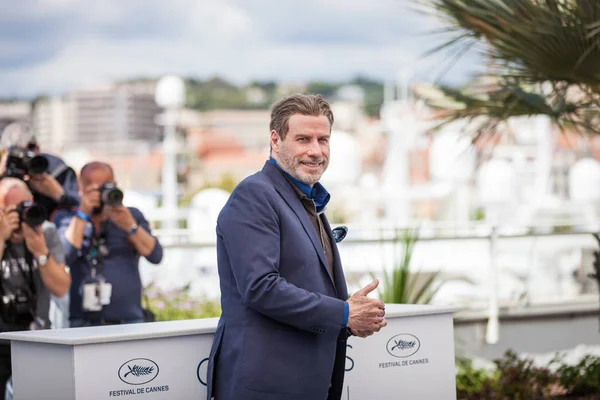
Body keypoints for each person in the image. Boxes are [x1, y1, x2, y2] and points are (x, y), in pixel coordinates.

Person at [206, 94, 387, 400]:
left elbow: (303, 283)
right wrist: (343, 313)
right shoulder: (254, 195)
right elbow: (261, 287)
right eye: (303, 139)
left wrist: (350, 315)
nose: (316, 151)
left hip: (308, 383)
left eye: (323, 140)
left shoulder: (306, 200)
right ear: (275, 140)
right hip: (266, 386)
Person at [53, 162, 162, 327]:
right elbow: (64, 256)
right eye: (93, 189)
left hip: (129, 321)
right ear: (80, 188)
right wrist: (83, 214)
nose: (100, 195)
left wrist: (130, 227)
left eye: (105, 187)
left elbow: (155, 255)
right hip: (82, 322)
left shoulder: (131, 215)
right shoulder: (67, 218)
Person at [0, 178, 70, 399]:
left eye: (24, 208)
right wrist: (1, 239)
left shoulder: (46, 232)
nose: (20, 217)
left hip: (37, 340)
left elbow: (61, 288)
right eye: (10, 210)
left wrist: (40, 251)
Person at [0, 122, 80, 219]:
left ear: (37, 148)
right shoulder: (3, 169)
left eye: (29, 150)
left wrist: (59, 194)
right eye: (16, 154)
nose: (22, 159)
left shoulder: (56, 170)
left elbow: (82, 206)